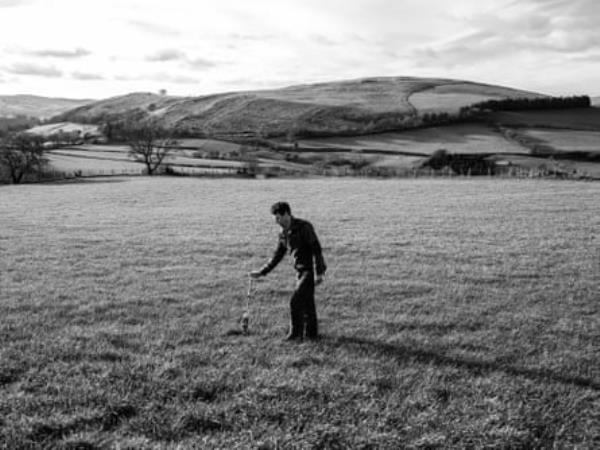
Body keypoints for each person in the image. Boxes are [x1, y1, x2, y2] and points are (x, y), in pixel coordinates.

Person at [250, 201, 326, 341]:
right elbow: (277, 256)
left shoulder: (304, 227)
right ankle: (312, 335)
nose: (276, 221)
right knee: (308, 303)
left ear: (286, 214)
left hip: (309, 271)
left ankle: (295, 335)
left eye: (278, 217)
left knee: (295, 301)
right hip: (299, 272)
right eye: (275, 218)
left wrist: (319, 272)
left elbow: (316, 248)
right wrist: (262, 272)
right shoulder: (283, 234)